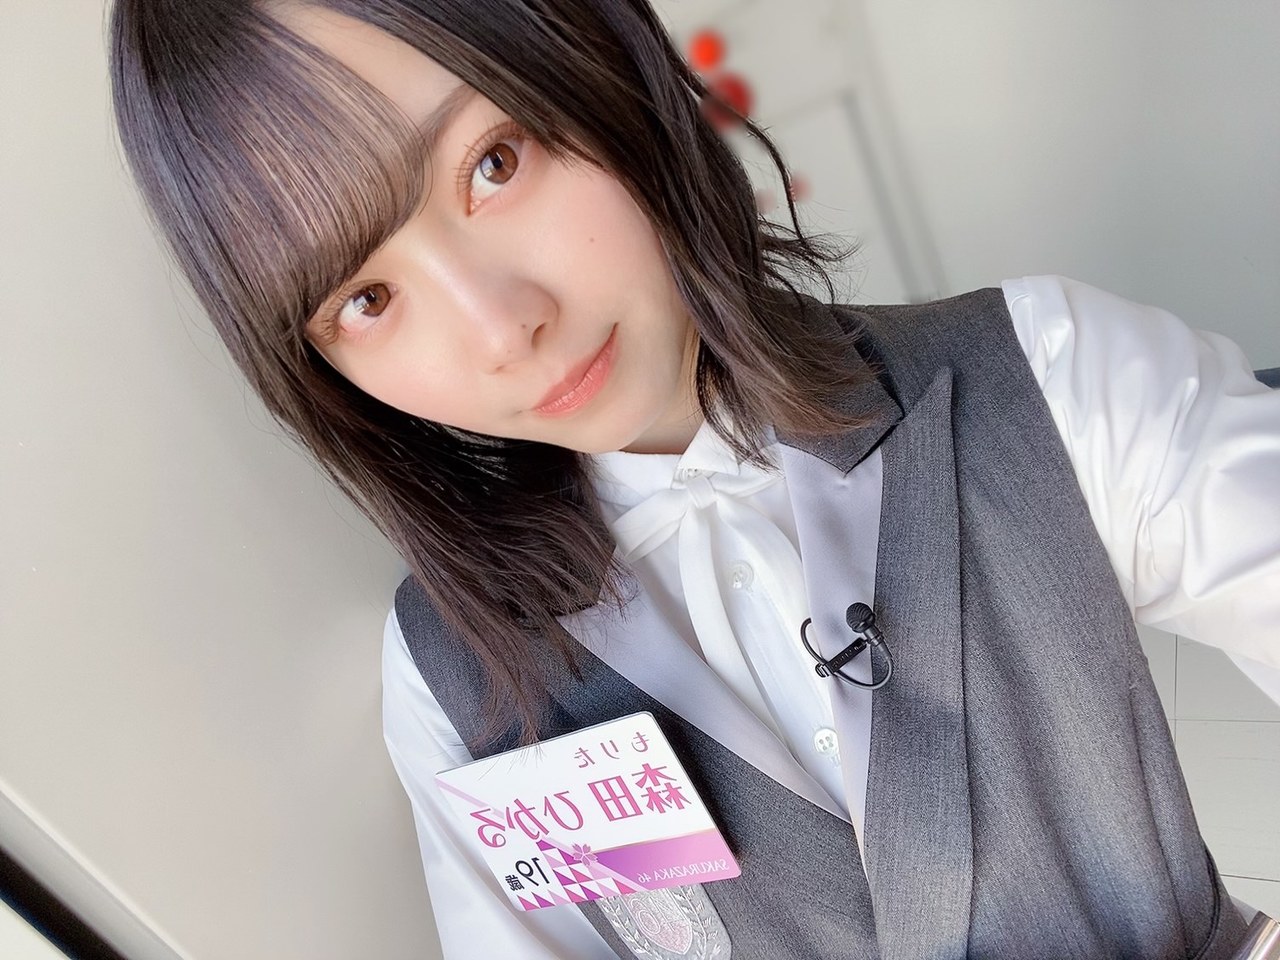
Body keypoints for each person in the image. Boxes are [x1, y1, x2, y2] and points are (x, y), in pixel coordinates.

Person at [107, 1, 1280, 957]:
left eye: (493, 163)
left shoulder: (1038, 372)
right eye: (367, 299)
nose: (502, 329)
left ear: (599, 71)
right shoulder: (449, 679)